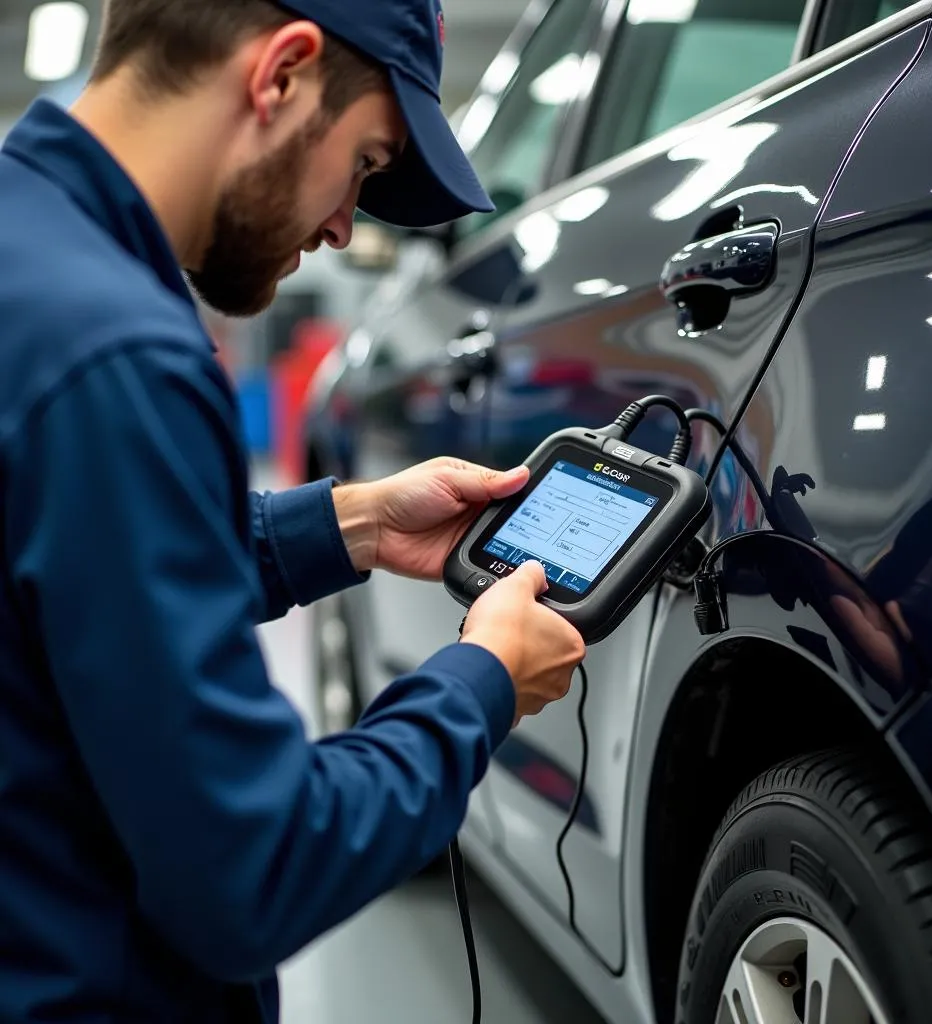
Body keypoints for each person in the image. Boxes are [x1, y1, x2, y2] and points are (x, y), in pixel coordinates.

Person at [0, 0, 585, 1020]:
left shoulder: (29, 255)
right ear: (281, 75)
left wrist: (347, 526)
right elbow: (251, 871)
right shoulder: (118, 355)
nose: (340, 226)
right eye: (363, 163)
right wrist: (480, 682)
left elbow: (62, 578)